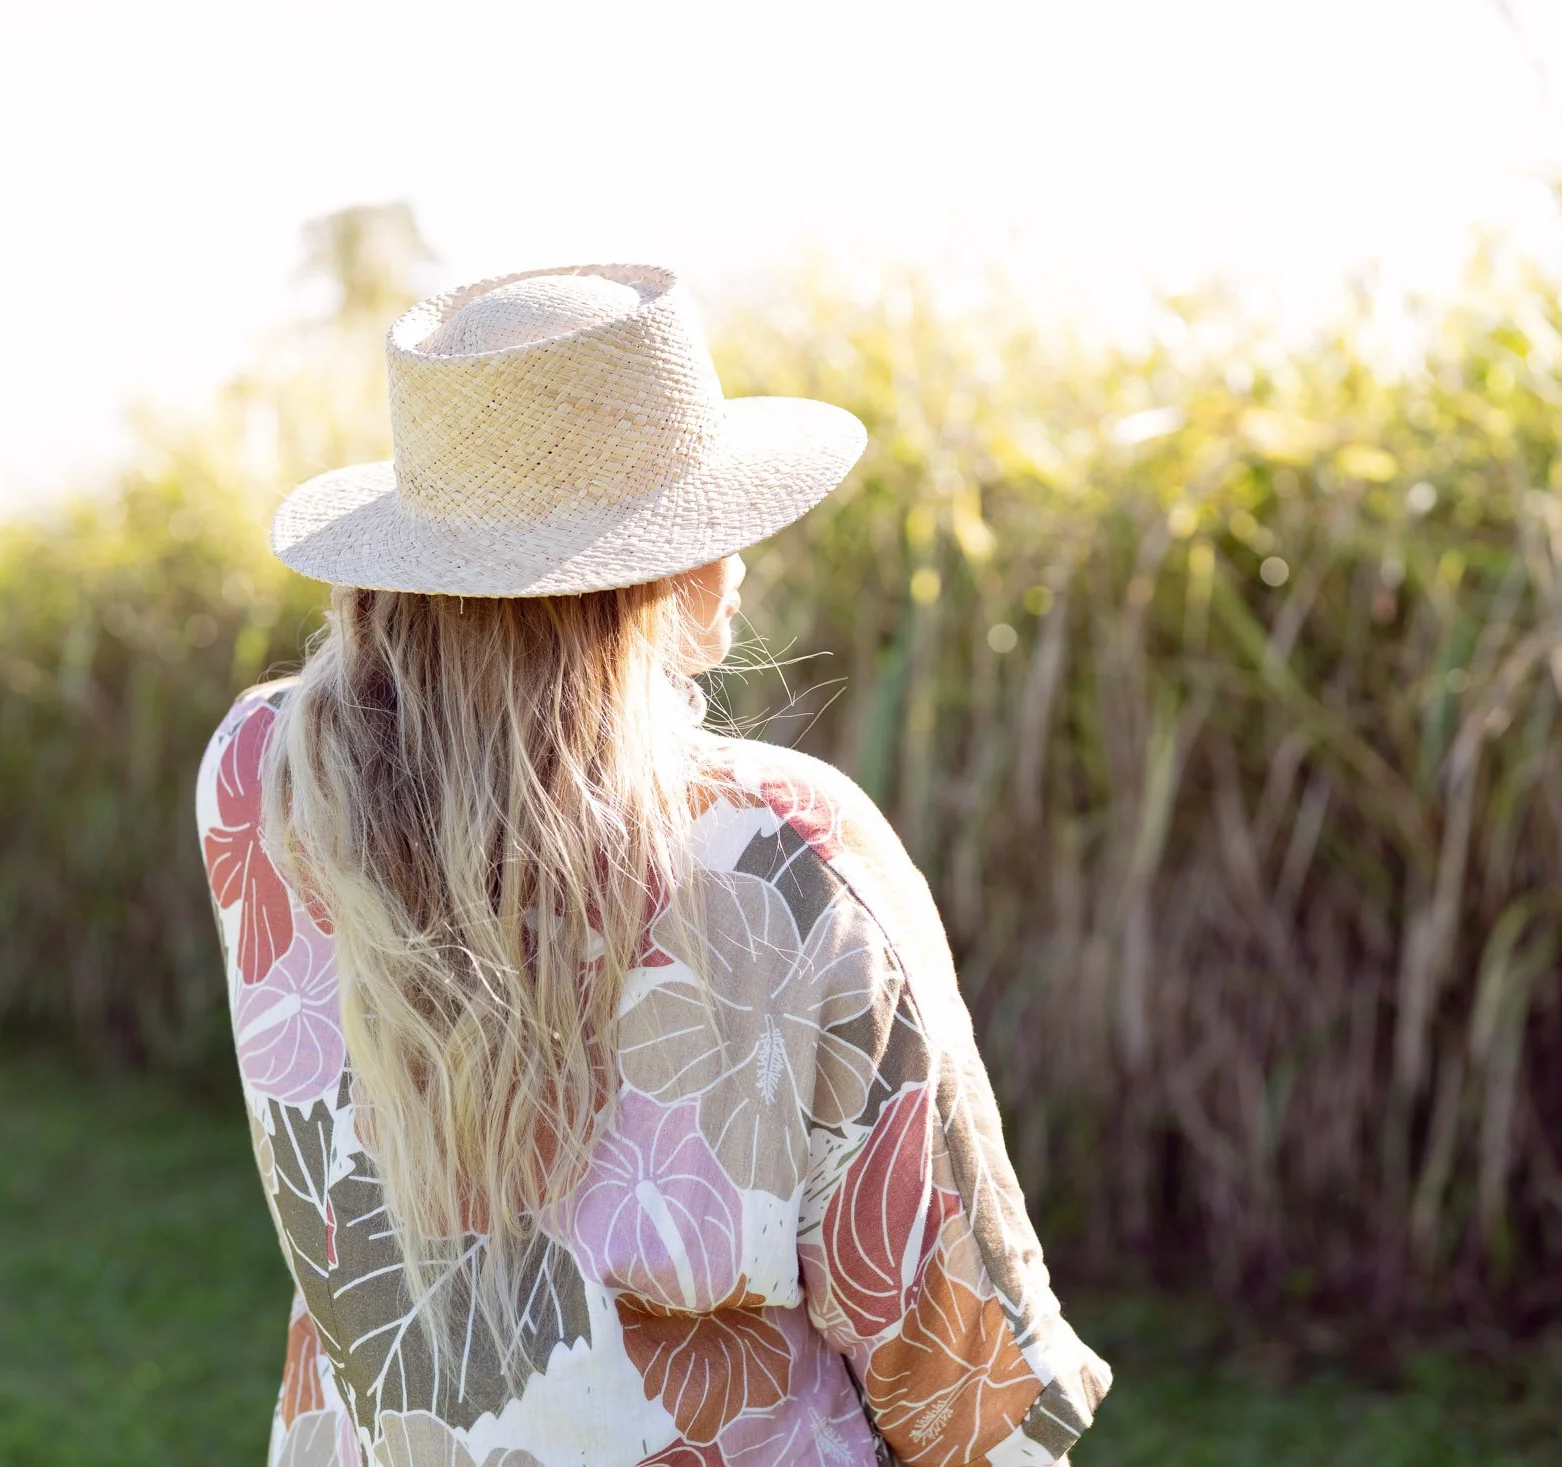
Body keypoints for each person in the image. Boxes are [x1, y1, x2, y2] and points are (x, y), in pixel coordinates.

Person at [197, 264, 1110, 1467]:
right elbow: (958, 1369)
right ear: (651, 573)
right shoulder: (783, 849)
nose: (738, 559)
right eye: (711, 519)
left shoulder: (264, 777)